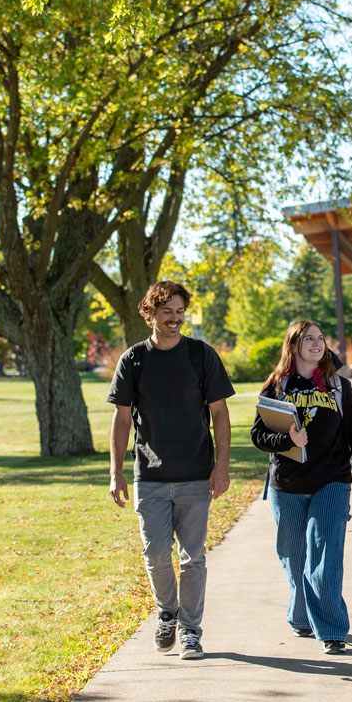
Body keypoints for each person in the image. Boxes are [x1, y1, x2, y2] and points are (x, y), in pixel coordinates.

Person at [107, 281, 235, 660]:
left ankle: (191, 631)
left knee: (192, 557)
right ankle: (167, 611)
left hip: (196, 474)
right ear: (151, 314)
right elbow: (122, 418)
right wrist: (116, 472)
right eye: (167, 313)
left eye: (180, 312)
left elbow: (220, 414)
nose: (175, 319)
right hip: (150, 475)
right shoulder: (134, 360)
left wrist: (221, 466)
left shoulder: (201, 355)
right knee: (156, 554)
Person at [251, 320, 352, 656]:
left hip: (332, 481)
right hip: (288, 485)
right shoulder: (277, 386)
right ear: (293, 345)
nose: (316, 343)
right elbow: (258, 436)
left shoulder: (337, 386)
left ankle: (333, 630)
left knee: (325, 558)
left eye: (320, 338)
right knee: (294, 559)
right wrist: (287, 439)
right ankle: (302, 615)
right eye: (308, 339)